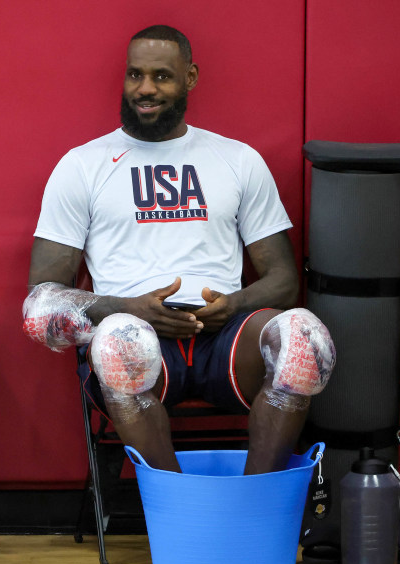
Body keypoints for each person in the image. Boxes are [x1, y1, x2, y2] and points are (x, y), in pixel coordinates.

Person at [23, 24, 335, 475]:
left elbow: (284, 281)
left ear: (189, 78)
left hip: (225, 339)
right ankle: (175, 509)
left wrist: (234, 305)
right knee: (117, 342)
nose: (145, 89)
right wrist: (127, 308)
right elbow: (41, 303)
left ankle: (256, 503)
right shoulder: (82, 166)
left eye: (162, 76)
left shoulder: (237, 159)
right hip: (136, 342)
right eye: (135, 75)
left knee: (304, 338)